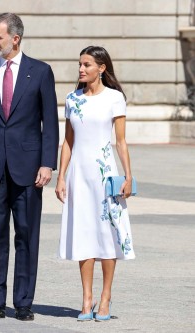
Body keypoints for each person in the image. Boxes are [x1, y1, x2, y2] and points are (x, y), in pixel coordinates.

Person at [0, 13, 59, 321]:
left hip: (29, 169)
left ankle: (23, 303)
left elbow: (50, 123)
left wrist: (48, 163)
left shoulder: (41, 72)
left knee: (26, 235)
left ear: (15, 39)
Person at [55, 46, 136, 322]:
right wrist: (61, 177)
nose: (81, 69)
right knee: (84, 234)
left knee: (107, 235)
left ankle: (105, 297)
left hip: (105, 173)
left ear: (101, 68)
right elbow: (68, 141)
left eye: (86, 65)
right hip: (79, 174)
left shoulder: (114, 98)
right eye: (80, 64)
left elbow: (121, 141)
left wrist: (128, 176)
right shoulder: (71, 99)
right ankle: (86, 298)